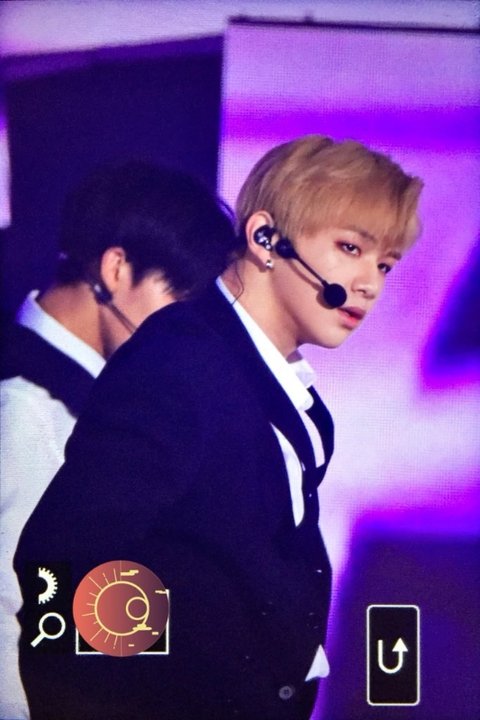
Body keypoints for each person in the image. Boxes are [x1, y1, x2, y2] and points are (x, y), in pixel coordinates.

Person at [13, 135, 423, 720]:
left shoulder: (285, 393)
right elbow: (58, 563)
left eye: (384, 264)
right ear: (265, 239)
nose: (370, 284)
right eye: (350, 248)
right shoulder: (180, 361)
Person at [0, 160, 237, 720]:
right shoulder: (24, 407)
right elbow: (7, 609)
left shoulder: (84, 395)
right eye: (179, 301)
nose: (188, 334)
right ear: (116, 269)